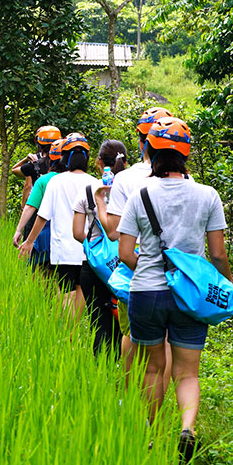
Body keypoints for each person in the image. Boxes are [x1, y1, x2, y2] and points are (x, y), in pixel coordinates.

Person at [116, 117, 232, 463]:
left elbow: (124, 252)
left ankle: (149, 435)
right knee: (188, 372)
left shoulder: (140, 195)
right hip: (189, 297)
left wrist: (153, 272)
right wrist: (222, 283)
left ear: (149, 151)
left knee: (153, 369)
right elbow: (218, 254)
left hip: (147, 293)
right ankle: (187, 429)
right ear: (186, 155)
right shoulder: (207, 195)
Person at [94, 107, 174, 372]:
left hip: (136, 266)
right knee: (166, 340)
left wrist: (99, 202)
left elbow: (114, 232)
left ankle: (130, 397)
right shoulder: (185, 179)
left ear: (143, 142)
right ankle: (163, 403)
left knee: (131, 334)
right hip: (174, 269)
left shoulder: (125, 179)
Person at [18, 133, 101, 318]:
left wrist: (29, 241)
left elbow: (43, 215)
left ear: (64, 157)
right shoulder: (94, 183)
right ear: (87, 158)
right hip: (88, 249)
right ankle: (74, 330)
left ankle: (66, 332)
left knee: (66, 291)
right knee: (80, 290)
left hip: (63, 250)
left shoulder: (56, 182)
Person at [71, 140, 127, 355]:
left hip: (95, 269)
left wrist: (98, 249)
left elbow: (77, 233)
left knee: (100, 323)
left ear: (99, 162)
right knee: (126, 326)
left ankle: (102, 372)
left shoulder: (89, 190)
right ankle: (128, 377)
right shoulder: (132, 186)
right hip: (127, 263)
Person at [13, 138, 66, 272]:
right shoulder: (83, 180)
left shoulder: (43, 180)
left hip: (44, 234)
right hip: (70, 237)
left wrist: (19, 230)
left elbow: (31, 206)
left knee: (40, 274)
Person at [12, 126, 61, 210]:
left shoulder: (34, 163)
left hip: (38, 204)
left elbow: (15, 170)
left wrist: (26, 159)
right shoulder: (64, 163)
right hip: (58, 204)